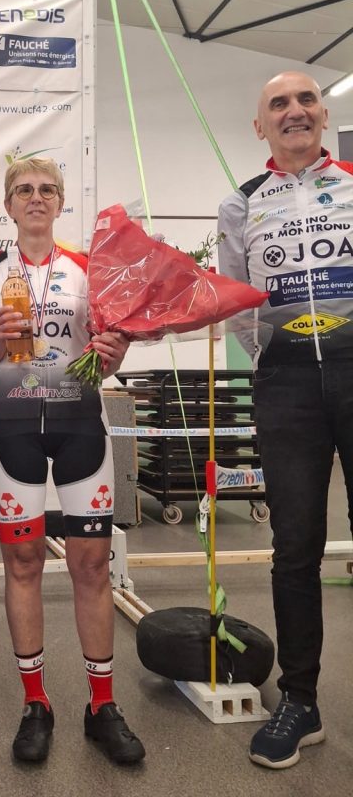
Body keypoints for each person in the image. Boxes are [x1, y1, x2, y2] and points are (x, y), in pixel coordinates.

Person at [0, 157, 145, 765]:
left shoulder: (90, 270)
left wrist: (112, 352)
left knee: (93, 564)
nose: (35, 199)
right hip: (11, 426)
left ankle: (102, 706)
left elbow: (107, 358)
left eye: (46, 190)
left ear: (60, 201)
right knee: (23, 560)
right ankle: (35, 703)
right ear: (8, 205)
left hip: (78, 426)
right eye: (24, 191)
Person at [217, 70, 352, 770]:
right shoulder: (241, 205)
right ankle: (300, 702)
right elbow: (238, 303)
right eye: (278, 104)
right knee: (295, 546)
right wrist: (285, 353)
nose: (294, 111)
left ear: (323, 116)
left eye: (305, 100)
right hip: (287, 381)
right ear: (260, 127)